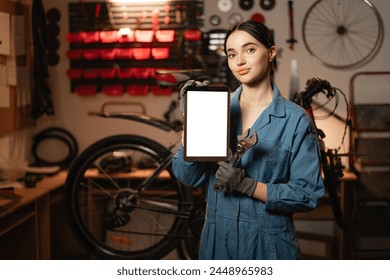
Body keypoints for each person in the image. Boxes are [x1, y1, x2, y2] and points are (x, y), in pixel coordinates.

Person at [172, 20, 325, 260]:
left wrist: (250, 186)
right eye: (231, 54)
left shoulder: (295, 120)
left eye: (250, 49)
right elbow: (190, 177)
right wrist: (189, 132)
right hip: (217, 242)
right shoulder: (215, 109)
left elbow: (308, 194)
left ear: (271, 52)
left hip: (270, 245)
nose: (239, 61)